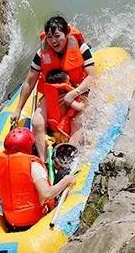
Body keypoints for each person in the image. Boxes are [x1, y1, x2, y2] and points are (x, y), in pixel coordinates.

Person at [11, 15, 96, 161]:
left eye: (57, 36)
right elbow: (29, 82)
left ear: (66, 33)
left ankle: (68, 159)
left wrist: (74, 93)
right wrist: (18, 109)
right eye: (49, 37)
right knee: (37, 121)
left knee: (77, 122)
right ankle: (42, 161)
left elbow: (92, 76)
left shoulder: (81, 48)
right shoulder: (41, 53)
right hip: (52, 93)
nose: (53, 41)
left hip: (78, 91)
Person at [0, 127, 75, 230]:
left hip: (11, 222)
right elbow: (46, 194)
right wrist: (66, 181)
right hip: (37, 220)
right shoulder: (34, 166)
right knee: (63, 174)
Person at [42, 68, 85, 144]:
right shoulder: (65, 99)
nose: (70, 85)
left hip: (56, 132)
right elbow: (80, 107)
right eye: (68, 83)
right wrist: (70, 100)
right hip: (67, 131)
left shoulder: (49, 100)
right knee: (75, 122)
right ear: (61, 88)